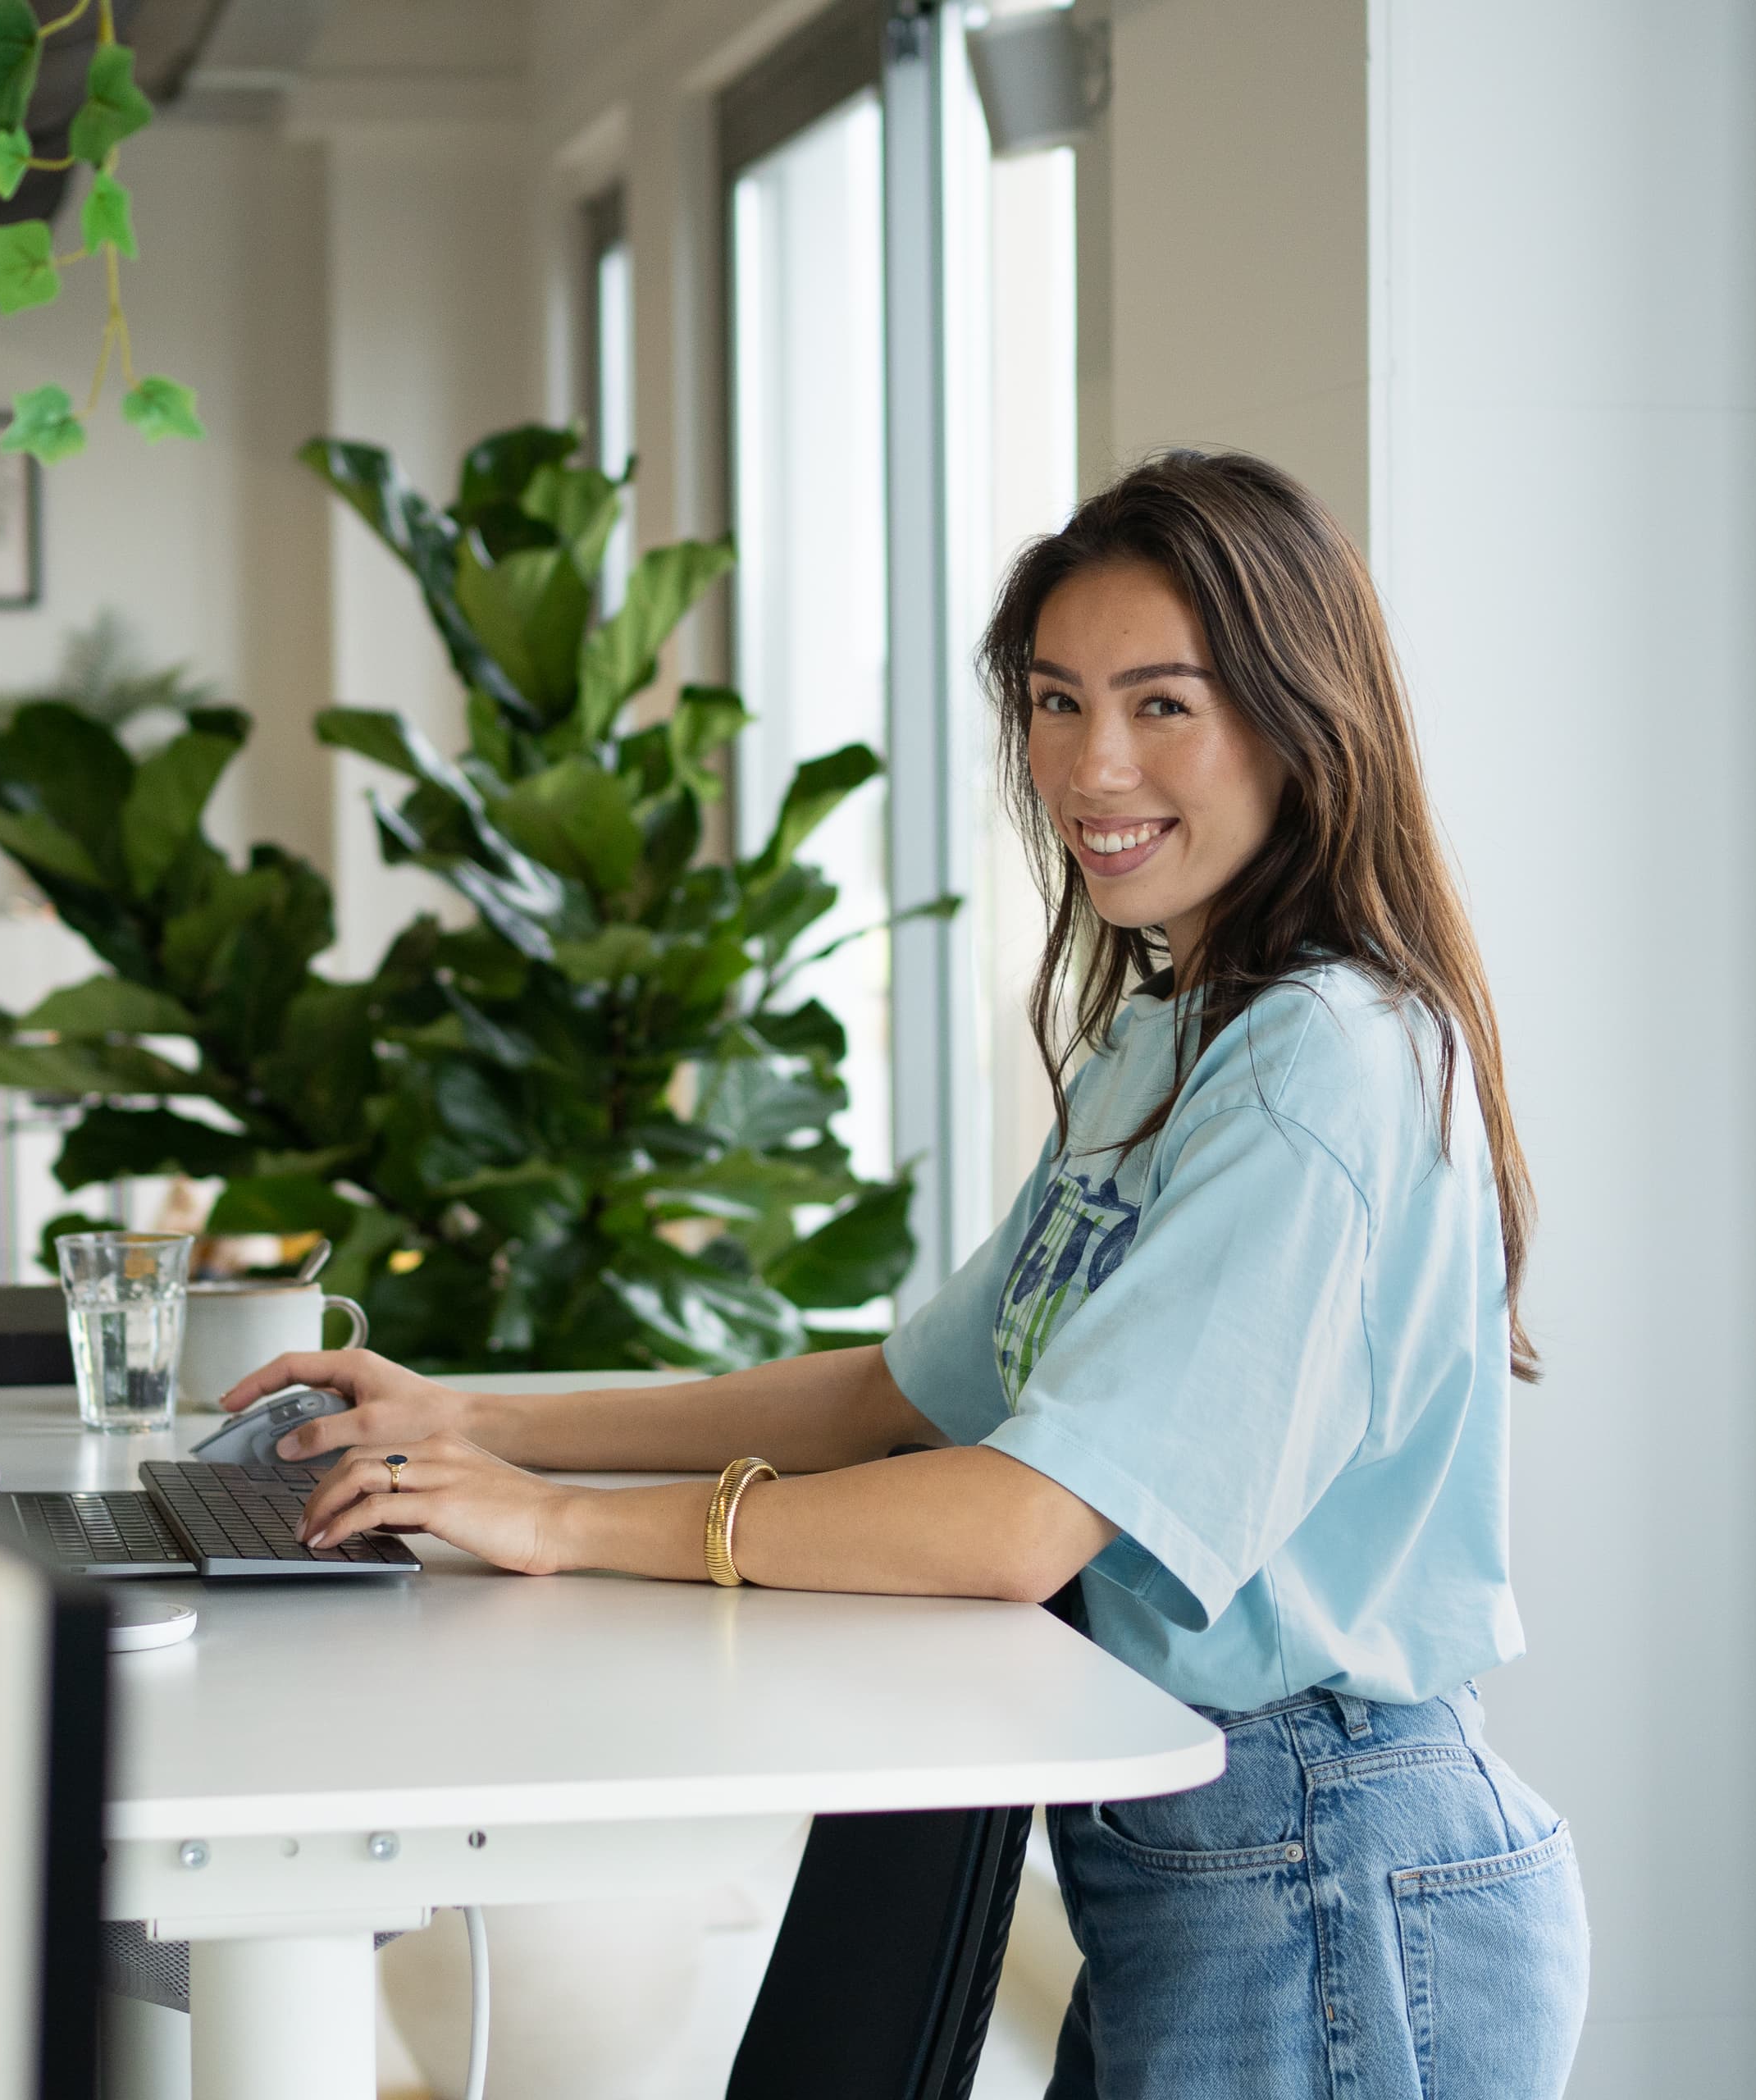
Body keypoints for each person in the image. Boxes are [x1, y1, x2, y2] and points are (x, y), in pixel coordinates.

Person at [230, 449, 1590, 2100]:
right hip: (1217, 1855)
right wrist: (482, 1426)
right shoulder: (1177, 1032)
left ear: (1303, 722)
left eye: (1163, 703)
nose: (1091, 764)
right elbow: (901, 1394)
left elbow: (1019, 1525)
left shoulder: (1324, 1062)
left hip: (1326, 1862)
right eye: (1056, 700)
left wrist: (566, 1525)